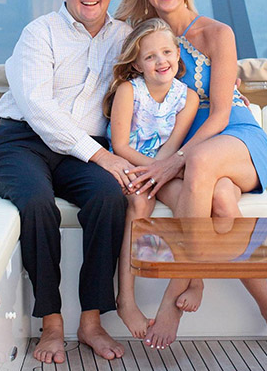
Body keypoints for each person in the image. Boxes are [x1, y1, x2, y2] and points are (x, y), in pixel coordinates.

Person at [0, 0, 135, 364]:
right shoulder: (39, 33)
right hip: (20, 140)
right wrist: (100, 156)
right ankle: (51, 322)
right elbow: (37, 106)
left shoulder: (123, 38)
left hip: (78, 152)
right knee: (37, 203)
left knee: (110, 198)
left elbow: (160, 77)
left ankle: (90, 321)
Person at [115, 0, 267, 350]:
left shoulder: (218, 33)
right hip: (181, 142)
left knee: (202, 163)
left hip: (233, 135)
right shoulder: (142, 38)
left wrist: (172, 162)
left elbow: (220, 114)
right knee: (221, 200)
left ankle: (173, 294)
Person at [103, 18, 199, 338]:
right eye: (151, 56)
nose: (162, 61)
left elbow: (171, 149)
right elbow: (120, 145)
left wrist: (160, 172)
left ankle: (195, 277)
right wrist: (149, 176)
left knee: (191, 199)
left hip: (162, 166)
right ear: (137, 63)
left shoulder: (188, 97)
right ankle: (126, 300)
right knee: (140, 206)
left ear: (177, 55)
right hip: (130, 162)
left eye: (167, 52)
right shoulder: (129, 91)